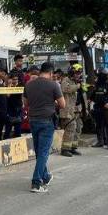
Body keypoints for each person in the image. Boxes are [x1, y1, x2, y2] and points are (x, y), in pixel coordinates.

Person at [24, 62, 65, 193]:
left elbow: (25, 103)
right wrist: (51, 102)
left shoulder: (29, 84)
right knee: (43, 153)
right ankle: (36, 183)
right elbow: (62, 104)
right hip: (47, 121)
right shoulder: (54, 85)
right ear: (51, 73)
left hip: (33, 120)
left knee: (39, 151)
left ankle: (45, 176)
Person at [59, 66, 81, 157]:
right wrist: (77, 86)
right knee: (71, 127)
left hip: (76, 109)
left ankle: (73, 147)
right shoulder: (66, 80)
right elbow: (66, 89)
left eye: (79, 73)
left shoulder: (77, 82)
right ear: (72, 73)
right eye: (76, 73)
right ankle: (65, 149)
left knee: (78, 127)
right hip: (67, 110)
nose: (78, 75)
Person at [90, 70, 108, 149]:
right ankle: (100, 141)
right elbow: (93, 96)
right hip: (98, 107)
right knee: (99, 125)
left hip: (106, 108)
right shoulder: (97, 85)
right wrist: (91, 101)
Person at [4, 74, 24, 139]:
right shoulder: (8, 87)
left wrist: (22, 103)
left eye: (16, 79)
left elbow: (22, 96)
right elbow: (8, 95)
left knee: (18, 132)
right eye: (13, 79)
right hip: (10, 111)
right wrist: (9, 85)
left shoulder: (20, 86)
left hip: (18, 111)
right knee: (7, 132)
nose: (15, 81)